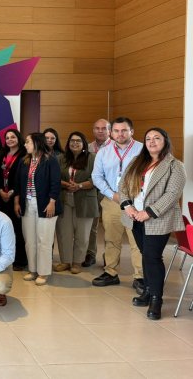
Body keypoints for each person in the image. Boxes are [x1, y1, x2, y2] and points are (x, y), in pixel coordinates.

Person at [120, 128, 186, 320]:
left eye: (157, 138)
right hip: (135, 217)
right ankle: (148, 291)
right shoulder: (137, 161)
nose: (152, 141)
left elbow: (172, 194)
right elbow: (123, 185)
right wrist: (127, 206)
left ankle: (157, 299)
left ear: (165, 141)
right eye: (148, 138)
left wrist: (148, 212)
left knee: (152, 256)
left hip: (158, 218)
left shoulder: (175, 165)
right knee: (145, 254)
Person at [91, 117, 144, 291]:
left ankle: (140, 277)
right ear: (111, 133)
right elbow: (96, 177)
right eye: (116, 131)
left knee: (136, 241)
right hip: (112, 200)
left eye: (124, 130)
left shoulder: (142, 150)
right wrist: (111, 194)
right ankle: (110, 272)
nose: (120, 134)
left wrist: (136, 196)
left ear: (132, 131)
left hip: (136, 202)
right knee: (111, 239)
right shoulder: (103, 152)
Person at [14, 132, 62, 286]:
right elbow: (17, 183)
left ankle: (43, 272)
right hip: (27, 204)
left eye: (28, 142)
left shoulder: (50, 160)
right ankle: (33, 269)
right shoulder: (24, 161)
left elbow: (55, 183)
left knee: (44, 240)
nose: (25, 144)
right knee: (30, 240)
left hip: (46, 204)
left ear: (36, 142)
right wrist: (17, 202)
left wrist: (52, 202)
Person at [55, 132, 98, 274]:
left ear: (84, 143)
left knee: (83, 234)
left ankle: (77, 262)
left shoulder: (92, 158)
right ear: (68, 143)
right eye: (72, 140)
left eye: (78, 141)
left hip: (85, 200)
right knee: (64, 233)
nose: (75, 143)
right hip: (65, 199)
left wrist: (79, 186)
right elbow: (54, 177)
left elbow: (97, 178)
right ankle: (65, 261)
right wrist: (66, 184)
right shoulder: (61, 158)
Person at [0, 128, 27, 270]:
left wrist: (12, 192)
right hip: (0, 197)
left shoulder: (24, 156)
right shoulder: (0, 155)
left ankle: (20, 260)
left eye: (13, 137)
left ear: (18, 138)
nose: (10, 140)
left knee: (17, 229)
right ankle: (4, 258)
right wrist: (0, 191)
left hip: (17, 197)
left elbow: (22, 177)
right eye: (7, 138)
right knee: (2, 229)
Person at [83, 118, 112, 267]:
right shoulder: (87, 148)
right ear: (93, 130)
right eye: (97, 128)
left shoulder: (116, 147)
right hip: (91, 191)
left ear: (109, 131)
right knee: (91, 226)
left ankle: (110, 257)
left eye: (104, 128)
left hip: (110, 192)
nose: (100, 131)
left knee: (110, 226)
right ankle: (90, 254)